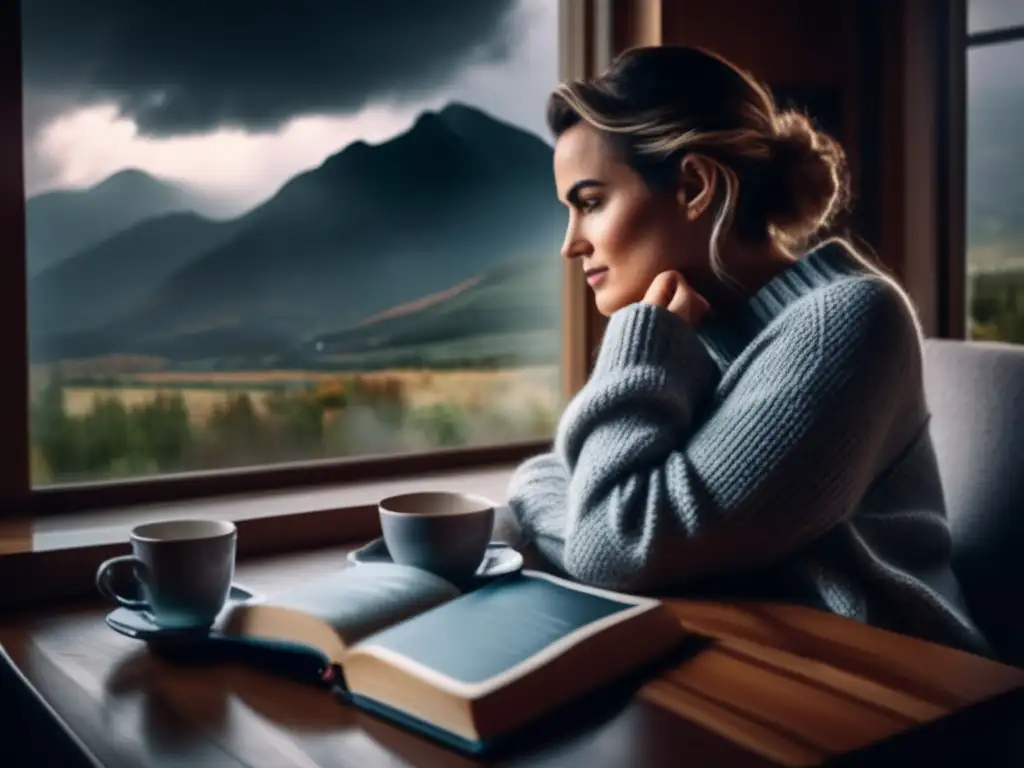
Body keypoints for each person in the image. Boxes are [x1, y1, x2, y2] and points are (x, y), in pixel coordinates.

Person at [503, 45, 991, 656]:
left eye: (591, 202)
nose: (570, 244)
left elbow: (609, 545)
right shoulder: (690, 334)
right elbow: (574, 489)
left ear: (694, 185)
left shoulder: (847, 322)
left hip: (901, 689)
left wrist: (641, 341)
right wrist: (566, 499)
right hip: (751, 659)